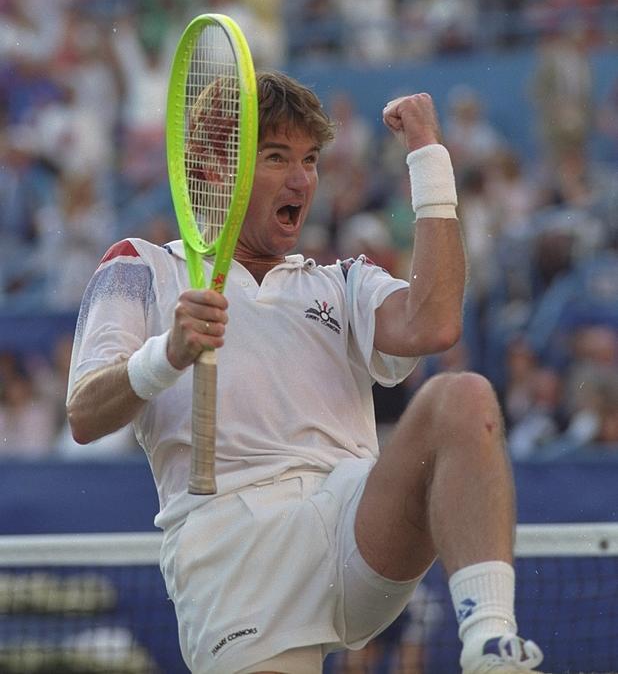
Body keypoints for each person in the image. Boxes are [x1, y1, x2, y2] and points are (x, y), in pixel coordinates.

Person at [66, 71, 546, 674]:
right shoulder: (138, 266)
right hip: (232, 558)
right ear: (214, 169)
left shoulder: (340, 282)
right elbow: (84, 412)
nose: (301, 180)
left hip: (351, 523)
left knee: (463, 396)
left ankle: (492, 643)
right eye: (276, 157)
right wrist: (168, 354)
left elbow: (435, 324)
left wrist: (428, 156)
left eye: (311, 159)